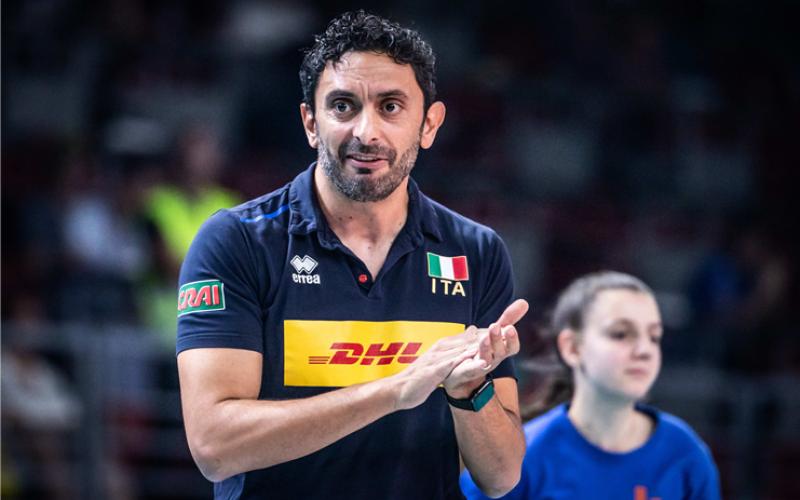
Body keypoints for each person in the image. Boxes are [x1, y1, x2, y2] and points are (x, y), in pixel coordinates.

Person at [177, 11, 528, 500]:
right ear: (310, 123)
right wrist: (396, 390)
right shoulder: (236, 241)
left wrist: (470, 392)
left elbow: (502, 476)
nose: (367, 131)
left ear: (429, 124)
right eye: (343, 106)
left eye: (391, 107)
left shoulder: (476, 251)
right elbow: (214, 447)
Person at [460, 271, 721, 499]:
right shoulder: (518, 459)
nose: (644, 350)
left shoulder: (686, 453)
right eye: (621, 334)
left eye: (654, 336)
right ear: (572, 347)